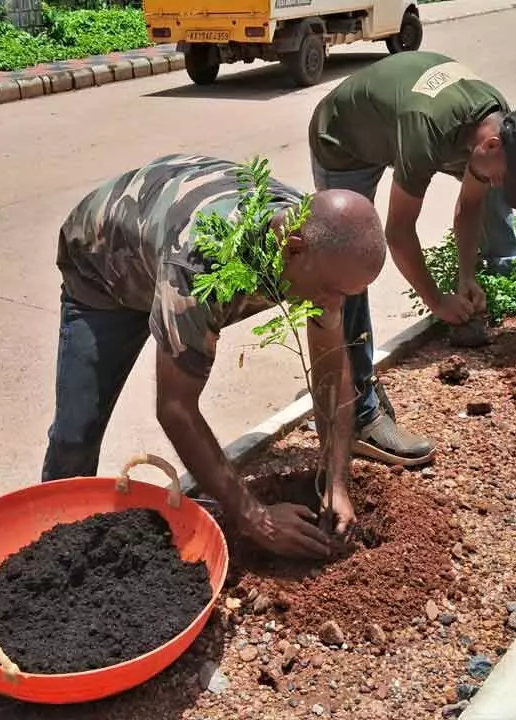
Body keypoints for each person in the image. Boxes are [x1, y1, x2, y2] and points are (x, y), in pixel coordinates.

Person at [40, 153, 388, 559]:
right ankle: (52, 546)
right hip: (104, 268)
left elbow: (331, 363)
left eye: (346, 294)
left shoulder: (317, 244)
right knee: (75, 435)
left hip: (166, 229)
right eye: (333, 291)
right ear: (293, 251)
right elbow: (175, 408)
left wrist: (336, 481)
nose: (335, 303)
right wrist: (255, 517)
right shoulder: (201, 266)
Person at [308, 50, 516, 468]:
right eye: (503, 173)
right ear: (491, 142)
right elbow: (399, 232)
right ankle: (359, 417)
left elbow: (472, 204)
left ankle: (359, 379)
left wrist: (465, 276)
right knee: (347, 263)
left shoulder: (494, 119)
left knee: (489, 198)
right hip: (344, 139)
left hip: (394, 125)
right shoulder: (427, 127)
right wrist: (436, 300)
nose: (499, 181)